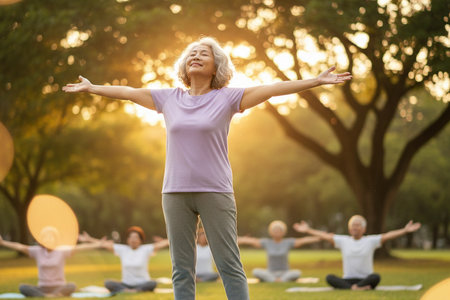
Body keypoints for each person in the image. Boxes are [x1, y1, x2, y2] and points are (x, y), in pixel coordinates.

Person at [63, 36, 351, 300]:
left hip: (215, 190)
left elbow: (272, 89)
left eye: (204, 54)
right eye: (192, 54)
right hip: (174, 192)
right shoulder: (169, 99)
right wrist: (92, 88)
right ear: (185, 65)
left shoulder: (227, 98)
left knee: (229, 264)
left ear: (216, 67)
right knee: (181, 268)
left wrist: (315, 81)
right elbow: (128, 92)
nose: (196, 56)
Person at [293, 215, 421, 290]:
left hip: (366, 279)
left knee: (376, 277)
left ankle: (357, 287)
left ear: (364, 228)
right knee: (329, 277)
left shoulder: (371, 240)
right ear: (349, 228)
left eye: (358, 225)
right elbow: (324, 236)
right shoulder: (343, 240)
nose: (355, 227)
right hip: (347, 280)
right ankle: (355, 288)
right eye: (353, 225)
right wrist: (308, 230)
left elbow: (388, 235)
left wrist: (405, 231)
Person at [0, 231, 102, 297]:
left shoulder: (61, 251)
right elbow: (20, 247)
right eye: (45, 237)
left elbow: (80, 248)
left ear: (55, 239)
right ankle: (49, 295)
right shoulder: (37, 251)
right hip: (42, 288)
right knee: (22, 287)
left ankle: (49, 295)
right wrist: (3, 243)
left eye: (50, 237)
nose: (48, 239)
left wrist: (98, 244)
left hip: (59, 287)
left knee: (72, 286)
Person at [79, 226, 169, 294]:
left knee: (152, 283)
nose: (133, 240)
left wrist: (172, 238)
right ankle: (129, 290)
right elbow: (103, 244)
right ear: (128, 240)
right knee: (108, 283)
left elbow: (163, 244)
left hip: (143, 283)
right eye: (131, 237)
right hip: (125, 284)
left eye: (136, 237)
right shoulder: (123, 249)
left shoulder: (146, 249)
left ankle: (133, 290)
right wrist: (89, 239)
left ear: (140, 240)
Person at [238, 220, 320, 282]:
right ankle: (276, 280)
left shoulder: (288, 242)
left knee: (297, 273)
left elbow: (303, 240)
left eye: (279, 230)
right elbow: (250, 241)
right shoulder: (267, 242)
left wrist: (320, 237)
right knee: (256, 271)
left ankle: (277, 280)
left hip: (285, 273)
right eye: (275, 230)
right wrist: (235, 240)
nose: (277, 232)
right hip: (270, 273)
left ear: (283, 232)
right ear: (271, 232)